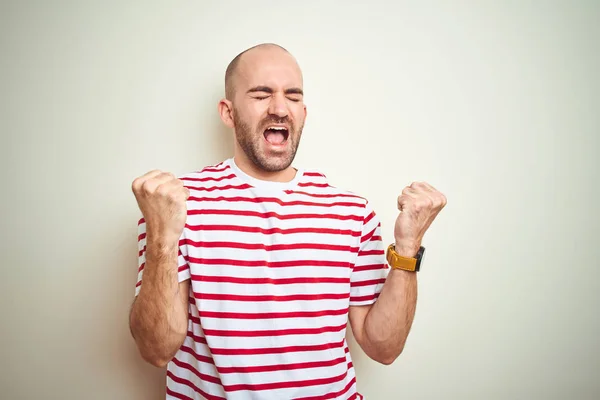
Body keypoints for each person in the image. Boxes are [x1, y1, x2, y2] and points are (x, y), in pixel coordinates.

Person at [129, 43, 447, 400]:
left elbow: (382, 348)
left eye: (292, 96)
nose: (280, 108)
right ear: (228, 112)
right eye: (262, 94)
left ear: (304, 112)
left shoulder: (351, 211)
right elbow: (156, 349)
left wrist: (407, 249)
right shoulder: (176, 204)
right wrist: (161, 237)